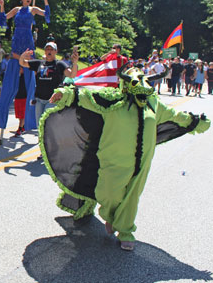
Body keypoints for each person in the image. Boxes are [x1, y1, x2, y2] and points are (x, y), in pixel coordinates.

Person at [44, 64, 210, 250]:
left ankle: (126, 231)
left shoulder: (154, 104)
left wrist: (196, 122)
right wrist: (65, 94)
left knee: (132, 196)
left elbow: (175, 115)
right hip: (112, 160)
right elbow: (87, 97)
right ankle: (112, 216)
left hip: (141, 164)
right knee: (108, 194)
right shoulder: (112, 101)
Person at [0, 0, 53, 138]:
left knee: (30, 83)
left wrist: (45, 0)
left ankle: (30, 123)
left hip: (27, 40)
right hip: (17, 41)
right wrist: (2, 6)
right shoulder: (16, 10)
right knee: (9, 84)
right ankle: (2, 123)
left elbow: (46, 15)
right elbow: (2, 20)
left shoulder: (33, 9)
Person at [19, 42, 78, 127]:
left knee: (46, 122)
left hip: (53, 99)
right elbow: (22, 63)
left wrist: (75, 63)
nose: (49, 51)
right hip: (39, 99)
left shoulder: (60, 64)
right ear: (45, 51)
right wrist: (22, 56)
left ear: (56, 51)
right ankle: (41, 140)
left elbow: (72, 75)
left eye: (51, 49)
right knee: (40, 124)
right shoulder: (39, 63)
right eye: (47, 49)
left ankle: (47, 140)